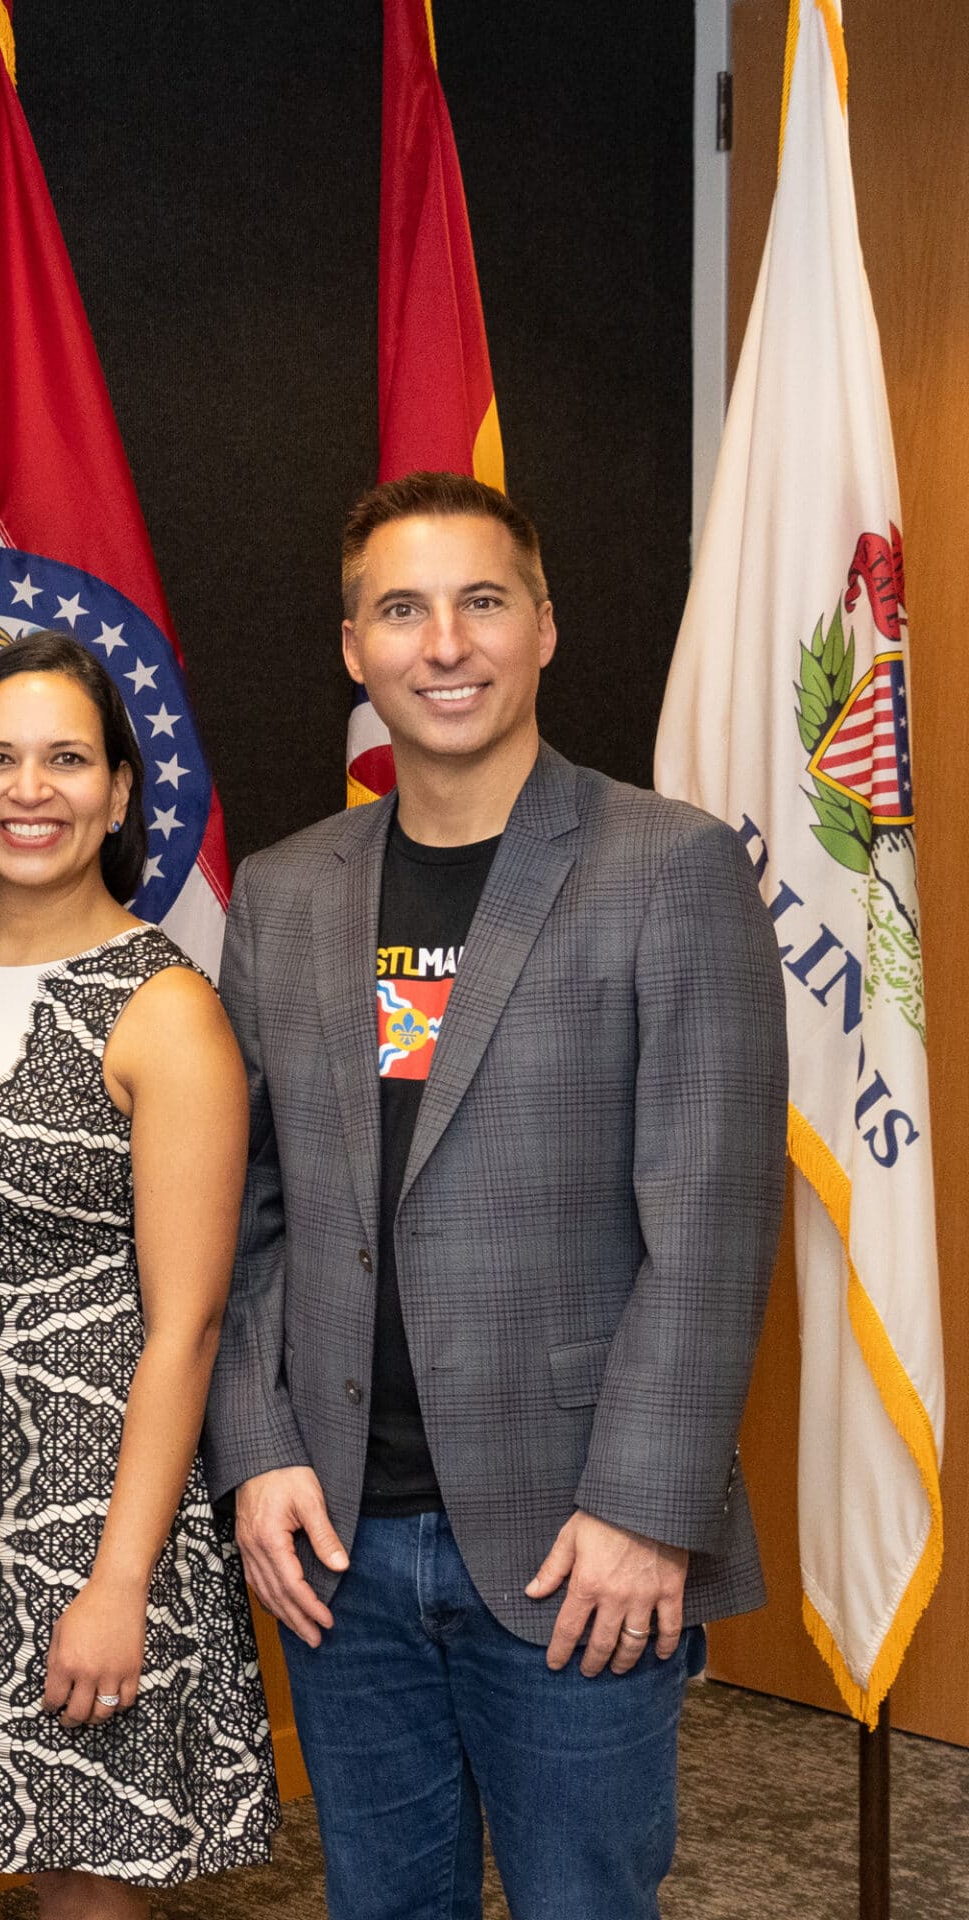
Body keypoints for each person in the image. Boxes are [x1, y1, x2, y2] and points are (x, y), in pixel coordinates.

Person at [204, 472, 787, 1920]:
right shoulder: (287, 893)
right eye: (402, 609)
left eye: (481, 601)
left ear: (544, 629)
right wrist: (259, 1446)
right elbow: (250, 1201)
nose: (443, 643)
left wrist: (650, 1507)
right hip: (339, 1534)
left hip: (581, 1534)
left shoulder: (673, 868)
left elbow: (711, 1221)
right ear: (354, 650)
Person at [0, 635, 278, 1919]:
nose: (32, 791)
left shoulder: (163, 1009)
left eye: (68, 760)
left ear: (122, 792)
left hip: (84, 1508)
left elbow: (186, 1328)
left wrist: (122, 1581)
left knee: (89, 1874)